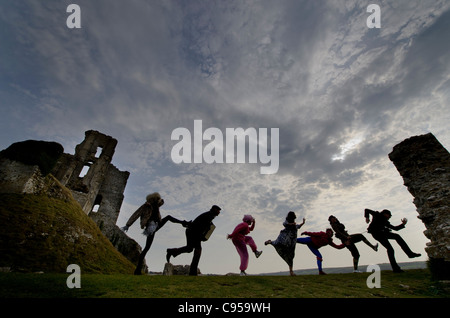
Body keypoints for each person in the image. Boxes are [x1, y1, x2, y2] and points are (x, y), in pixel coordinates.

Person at [121, 192, 188, 275]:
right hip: (150, 227)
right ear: (154, 199)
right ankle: (137, 270)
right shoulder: (146, 206)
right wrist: (127, 225)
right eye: (158, 199)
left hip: (157, 224)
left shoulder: (156, 205)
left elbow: (161, 202)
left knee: (168, 217)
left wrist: (161, 199)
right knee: (146, 248)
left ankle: (184, 223)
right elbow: (136, 214)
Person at [166, 205, 221, 276]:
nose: (219, 212)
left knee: (189, 249)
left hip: (192, 232)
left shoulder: (210, 216)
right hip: (193, 232)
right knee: (198, 250)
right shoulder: (209, 215)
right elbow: (200, 227)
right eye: (218, 210)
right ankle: (193, 272)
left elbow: (204, 226)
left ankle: (172, 251)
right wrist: (203, 237)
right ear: (214, 210)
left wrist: (204, 235)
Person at [364, 208, 421, 273]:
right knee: (391, 249)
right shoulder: (377, 215)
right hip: (377, 234)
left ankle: (410, 254)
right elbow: (366, 210)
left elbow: (395, 228)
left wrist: (403, 224)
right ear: (385, 214)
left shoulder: (385, 221)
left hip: (382, 233)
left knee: (396, 238)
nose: (390, 217)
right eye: (389, 216)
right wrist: (367, 218)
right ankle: (396, 268)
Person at [265, 212, 305, 276]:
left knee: (291, 256)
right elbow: (285, 224)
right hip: (284, 239)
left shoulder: (294, 225)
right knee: (277, 244)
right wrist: (291, 224)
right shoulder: (287, 222)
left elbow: (298, 226)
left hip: (291, 243)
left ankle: (291, 272)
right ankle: (270, 242)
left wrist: (303, 223)